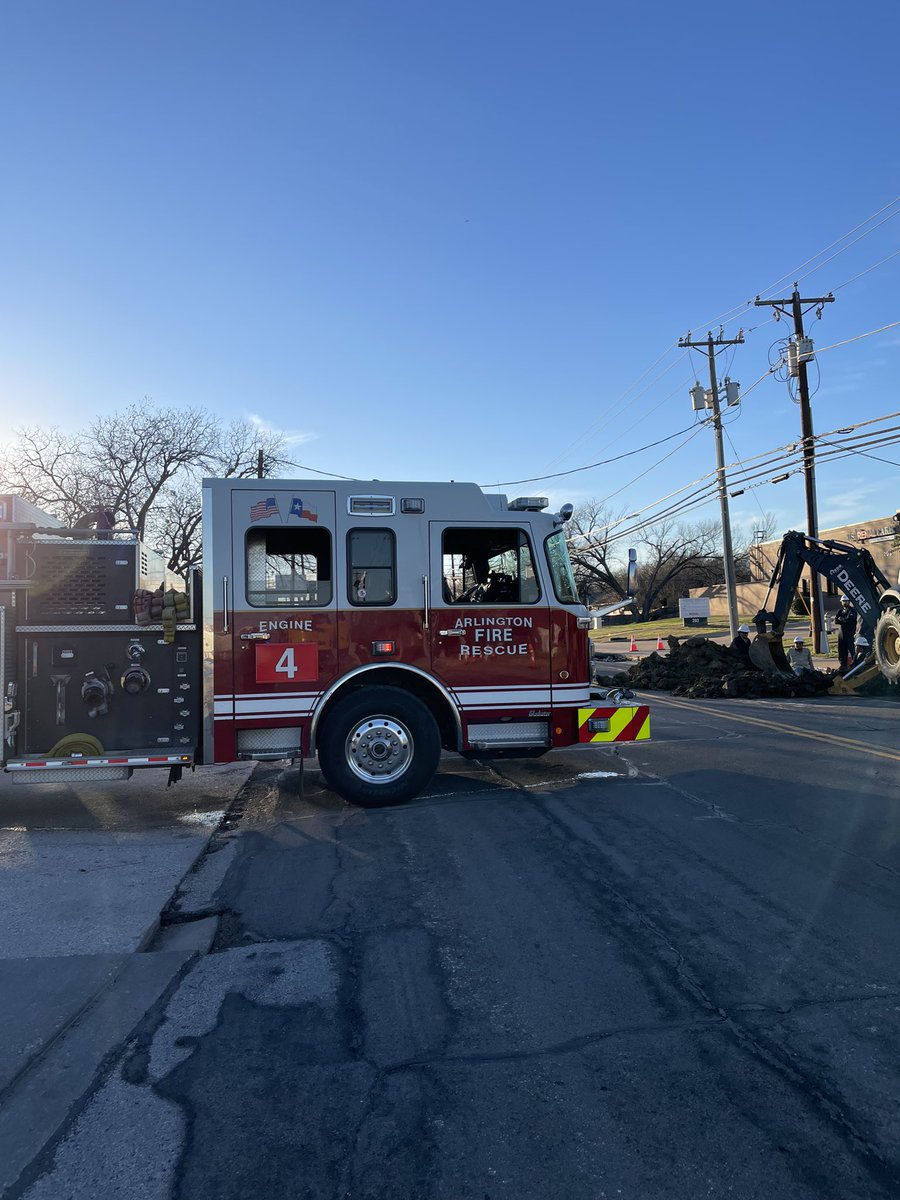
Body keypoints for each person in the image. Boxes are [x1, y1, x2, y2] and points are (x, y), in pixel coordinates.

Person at [835, 595, 857, 671]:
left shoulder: (852, 610)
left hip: (850, 633)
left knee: (852, 649)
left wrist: (841, 619)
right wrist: (843, 620)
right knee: (841, 650)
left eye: (846, 601)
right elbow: (836, 620)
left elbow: (849, 620)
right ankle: (843, 665)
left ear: (849, 602)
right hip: (841, 634)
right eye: (843, 601)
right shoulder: (840, 611)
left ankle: (855, 664)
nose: (844, 602)